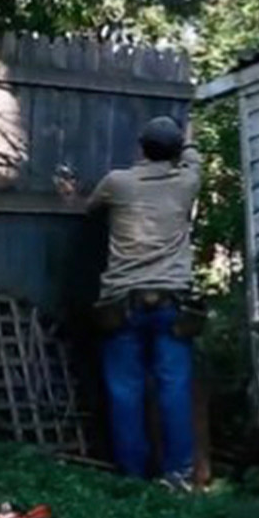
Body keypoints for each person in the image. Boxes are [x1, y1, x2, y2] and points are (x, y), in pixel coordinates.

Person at [85, 115, 202, 490]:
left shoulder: (117, 183)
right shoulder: (187, 183)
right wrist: (187, 139)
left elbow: (90, 209)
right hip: (172, 301)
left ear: (140, 147)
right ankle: (178, 474)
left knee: (124, 388)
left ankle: (132, 475)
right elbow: (193, 157)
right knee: (175, 386)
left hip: (122, 301)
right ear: (175, 151)